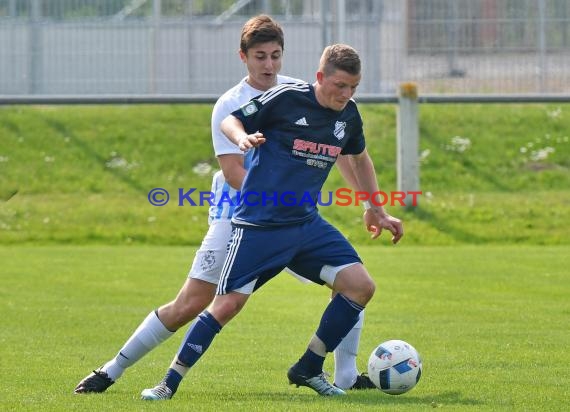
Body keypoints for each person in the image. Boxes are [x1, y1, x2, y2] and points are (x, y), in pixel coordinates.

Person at [74, 16, 373, 396]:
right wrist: (283, 190)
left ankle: (344, 375)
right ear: (243, 57)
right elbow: (235, 173)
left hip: (291, 218)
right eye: (260, 56)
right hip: (239, 219)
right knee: (192, 303)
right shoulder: (230, 104)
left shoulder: (303, 93)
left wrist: (368, 203)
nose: (269, 65)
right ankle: (112, 370)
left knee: (348, 280)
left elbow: (343, 153)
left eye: (276, 56)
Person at [140, 43, 404, 400]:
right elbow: (230, 119)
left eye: (353, 87)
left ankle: (309, 367)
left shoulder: (349, 116)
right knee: (227, 305)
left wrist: (377, 208)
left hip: (306, 225)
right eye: (340, 85)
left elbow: (358, 159)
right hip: (259, 225)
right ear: (320, 77)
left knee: (359, 285)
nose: (346, 94)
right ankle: (167, 383)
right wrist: (242, 137)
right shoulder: (285, 99)